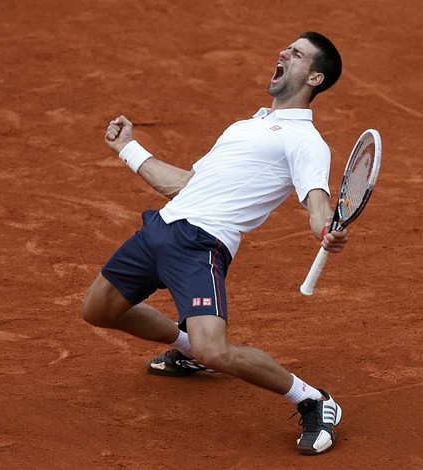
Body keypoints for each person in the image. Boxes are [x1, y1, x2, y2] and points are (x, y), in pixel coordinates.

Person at [81, 31, 349, 455]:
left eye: (296, 54)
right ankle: (186, 350)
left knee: (216, 349)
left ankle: (314, 400)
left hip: (200, 244)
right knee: (98, 310)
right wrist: (128, 147)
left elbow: (316, 200)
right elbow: (185, 184)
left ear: (314, 78)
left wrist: (324, 231)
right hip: (161, 229)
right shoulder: (246, 126)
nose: (283, 52)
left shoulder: (305, 141)